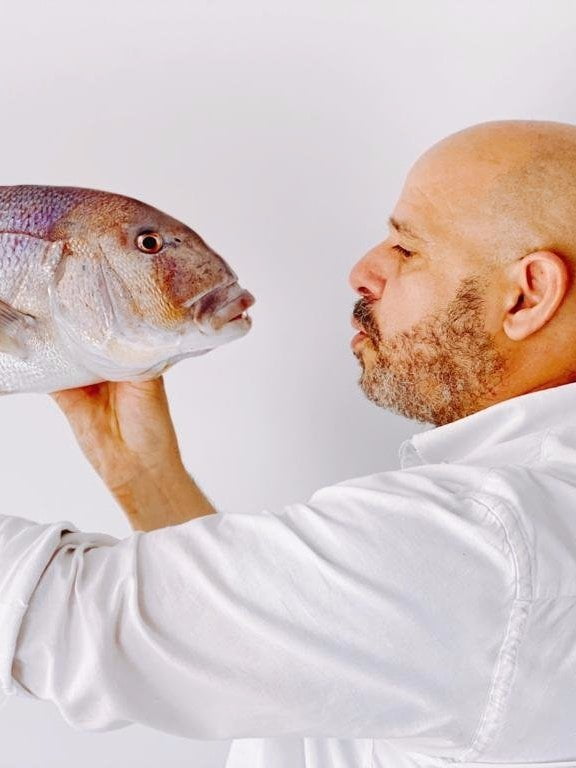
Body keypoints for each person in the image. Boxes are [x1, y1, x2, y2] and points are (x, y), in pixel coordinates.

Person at [2, 119, 576, 768]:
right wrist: (143, 474)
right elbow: (271, 674)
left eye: (407, 248)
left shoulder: (485, 548)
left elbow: (62, 621)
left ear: (527, 294)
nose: (363, 271)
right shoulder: (529, 527)